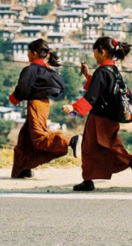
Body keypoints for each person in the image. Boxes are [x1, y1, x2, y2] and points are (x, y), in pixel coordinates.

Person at [62, 37, 132, 192]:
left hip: (100, 117)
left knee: (104, 146)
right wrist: (88, 76)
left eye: (94, 51)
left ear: (102, 51)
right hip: (111, 115)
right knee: (94, 146)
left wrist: (74, 108)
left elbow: (92, 96)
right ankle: (88, 179)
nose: (93, 54)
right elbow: (102, 87)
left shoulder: (102, 71)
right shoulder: (112, 69)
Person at [9, 39, 81, 179]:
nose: (28, 55)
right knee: (25, 139)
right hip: (44, 104)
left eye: (28, 52)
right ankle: (23, 168)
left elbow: (22, 89)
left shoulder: (31, 69)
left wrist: (13, 98)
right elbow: (60, 86)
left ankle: (70, 141)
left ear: (34, 53)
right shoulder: (48, 70)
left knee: (39, 137)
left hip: (35, 104)